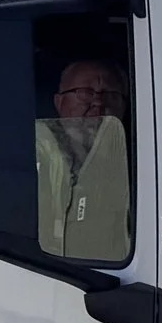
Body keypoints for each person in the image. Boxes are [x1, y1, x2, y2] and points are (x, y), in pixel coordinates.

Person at [35, 57, 131, 260]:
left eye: (110, 95)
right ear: (59, 102)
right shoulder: (26, 151)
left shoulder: (142, 169)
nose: (98, 101)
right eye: (85, 93)